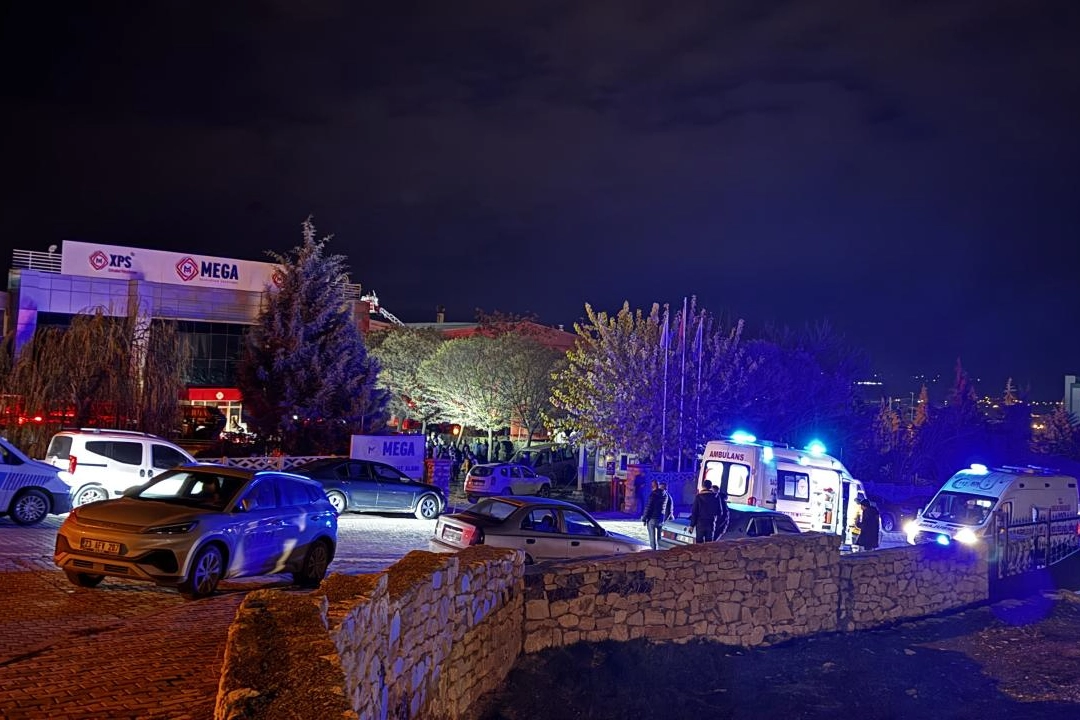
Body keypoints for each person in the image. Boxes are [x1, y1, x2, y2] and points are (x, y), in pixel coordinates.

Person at [641, 479, 674, 550]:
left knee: (652, 538)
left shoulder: (653, 495)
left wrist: (644, 518)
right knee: (659, 537)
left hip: (652, 518)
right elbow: (668, 509)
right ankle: (659, 550)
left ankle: (653, 551)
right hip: (661, 518)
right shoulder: (666, 496)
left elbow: (648, 507)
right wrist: (664, 520)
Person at [688, 479, 723, 544]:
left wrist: (692, 525)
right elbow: (720, 512)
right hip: (711, 523)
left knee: (699, 544)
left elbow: (694, 512)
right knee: (709, 544)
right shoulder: (716, 497)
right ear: (710, 487)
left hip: (700, 524)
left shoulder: (698, 497)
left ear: (703, 486)